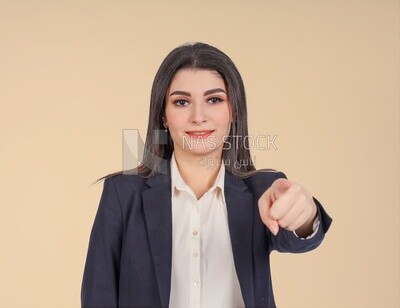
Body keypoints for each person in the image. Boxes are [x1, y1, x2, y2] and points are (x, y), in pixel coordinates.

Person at [81, 42, 332, 308]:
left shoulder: (263, 190)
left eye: (214, 99)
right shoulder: (122, 194)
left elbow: (301, 238)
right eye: (181, 102)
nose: (198, 116)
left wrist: (306, 214)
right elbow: (98, 296)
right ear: (163, 115)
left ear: (233, 110)